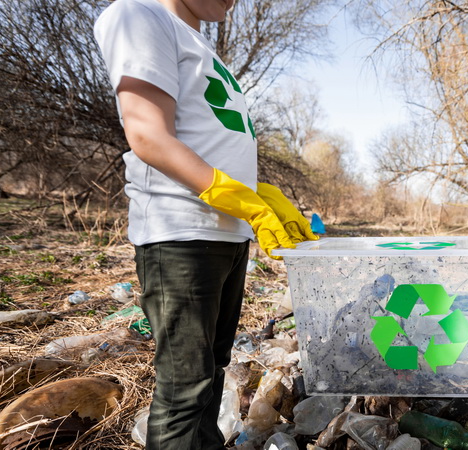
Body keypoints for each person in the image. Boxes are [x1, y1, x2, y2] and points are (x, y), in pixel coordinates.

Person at [94, 0, 317, 448]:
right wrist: (239, 199)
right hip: (181, 234)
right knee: (185, 388)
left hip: (226, 235)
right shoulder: (138, 15)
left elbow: (208, 140)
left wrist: (259, 194)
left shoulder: (198, 43)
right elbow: (148, 135)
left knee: (212, 369)